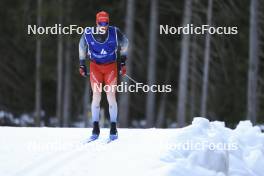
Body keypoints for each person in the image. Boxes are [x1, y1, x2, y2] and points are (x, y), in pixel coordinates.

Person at [79, 11, 128, 140]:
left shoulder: (115, 32)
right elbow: (81, 47)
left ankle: (113, 127)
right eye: (101, 23)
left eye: (106, 22)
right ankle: (95, 127)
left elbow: (125, 43)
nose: (103, 25)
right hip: (95, 67)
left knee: (111, 96)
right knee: (96, 95)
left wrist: (123, 61)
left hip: (110, 67)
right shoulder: (88, 33)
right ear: (96, 22)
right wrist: (82, 64)